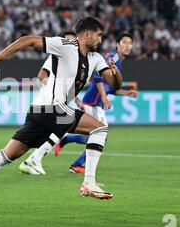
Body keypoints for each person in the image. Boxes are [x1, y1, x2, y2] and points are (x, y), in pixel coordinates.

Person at [0, 17, 123, 213]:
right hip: (53, 109)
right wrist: (1, 55)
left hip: (39, 111)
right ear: (87, 34)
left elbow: (114, 82)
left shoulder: (96, 59)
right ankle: (89, 182)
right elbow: (29, 40)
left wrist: (115, 72)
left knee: (9, 154)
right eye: (99, 35)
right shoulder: (66, 45)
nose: (101, 40)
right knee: (100, 128)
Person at [55, 33, 138, 174]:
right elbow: (97, 77)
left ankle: (68, 144)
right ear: (117, 44)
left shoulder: (119, 64)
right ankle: (76, 163)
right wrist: (104, 97)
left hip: (96, 104)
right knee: (101, 135)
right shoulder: (113, 58)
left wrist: (127, 93)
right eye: (125, 42)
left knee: (97, 135)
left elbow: (111, 89)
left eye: (130, 43)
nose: (128, 46)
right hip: (92, 103)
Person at [18, 30, 77, 175]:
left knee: (59, 131)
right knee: (59, 130)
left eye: (73, 41)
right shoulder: (57, 56)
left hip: (57, 102)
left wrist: (75, 98)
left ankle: (33, 159)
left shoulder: (75, 60)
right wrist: (53, 87)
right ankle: (32, 159)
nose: (71, 44)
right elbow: (42, 75)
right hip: (48, 102)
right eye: (68, 40)